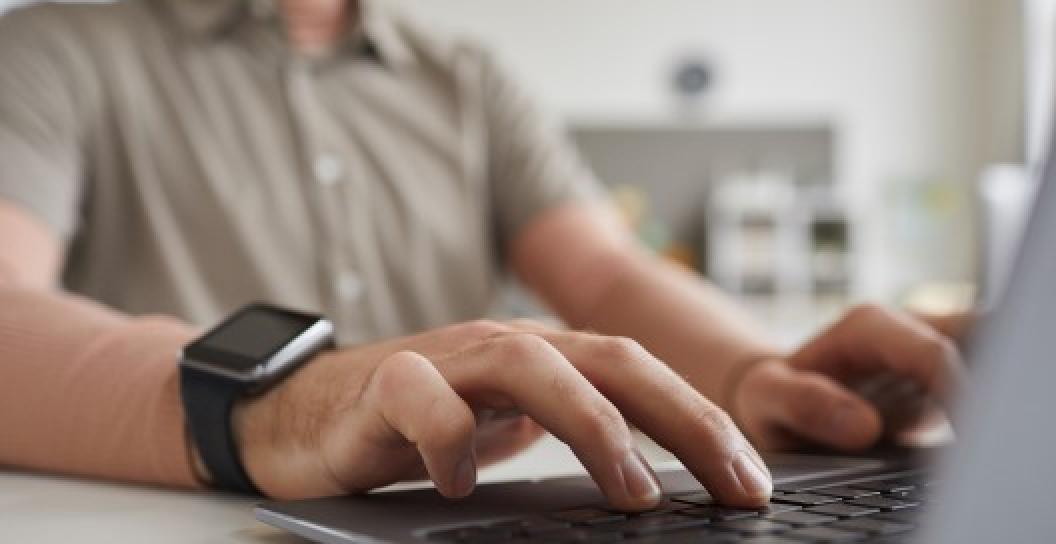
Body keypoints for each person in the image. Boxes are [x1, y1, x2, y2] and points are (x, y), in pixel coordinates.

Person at [0, 0, 969, 513]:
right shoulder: (53, 53)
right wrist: (280, 406)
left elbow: (606, 275)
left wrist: (757, 374)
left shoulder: (468, 80)